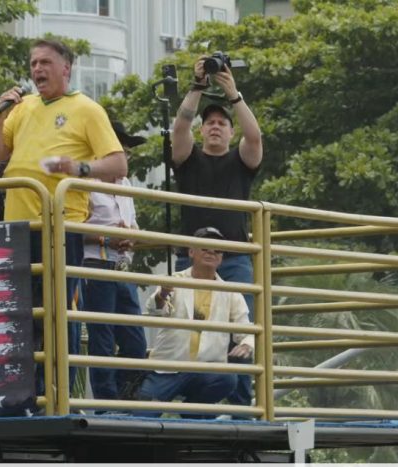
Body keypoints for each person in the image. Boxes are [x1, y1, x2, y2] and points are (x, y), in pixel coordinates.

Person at [0, 39, 127, 384]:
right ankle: (26, 392)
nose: (37, 70)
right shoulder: (23, 107)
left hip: (60, 228)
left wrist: (79, 169)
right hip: (17, 227)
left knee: (58, 313)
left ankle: (58, 392)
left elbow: (117, 163)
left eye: (45, 62)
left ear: (66, 68)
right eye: (33, 63)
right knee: (21, 314)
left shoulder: (87, 109)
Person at [170, 55, 263, 407]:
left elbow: (254, 137)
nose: (214, 126)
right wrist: (196, 86)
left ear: (230, 131)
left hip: (235, 259)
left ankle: (242, 409)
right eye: (209, 122)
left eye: (222, 123)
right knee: (190, 334)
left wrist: (234, 96)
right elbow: (179, 128)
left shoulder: (241, 161)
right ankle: (196, 410)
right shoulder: (188, 157)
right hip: (190, 259)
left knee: (242, 334)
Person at [138, 227, 254, 417]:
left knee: (227, 380)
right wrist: (163, 294)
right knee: (142, 415)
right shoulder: (174, 280)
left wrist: (247, 345)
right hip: (169, 367)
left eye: (217, 250)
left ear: (222, 257)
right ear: (191, 252)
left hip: (205, 369)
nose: (211, 252)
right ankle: (194, 413)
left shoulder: (231, 291)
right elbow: (155, 309)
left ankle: (193, 412)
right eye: (205, 248)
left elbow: (246, 329)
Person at [82, 120, 147, 403]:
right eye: (122, 150)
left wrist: (130, 237)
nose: (126, 157)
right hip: (95, 264)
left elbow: (132, 225)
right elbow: (73, 226)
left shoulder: (127, 184)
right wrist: (108, 238)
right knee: (103, 340)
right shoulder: (84, 182)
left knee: (136, 341)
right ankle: (106, 404)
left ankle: (124, 399)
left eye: (128, 152)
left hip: (122, 266)